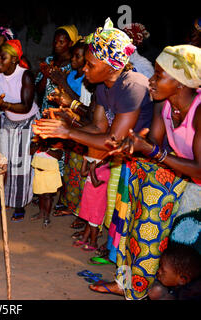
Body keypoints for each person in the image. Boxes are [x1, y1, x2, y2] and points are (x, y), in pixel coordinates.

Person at [32, 17, 155, 297]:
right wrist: (66, 126)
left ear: (111, 65)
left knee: (142, 230)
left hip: (150, 167)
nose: (85, 70)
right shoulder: (103, 86)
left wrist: (68, 133)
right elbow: (98, 127)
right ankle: (126, 283)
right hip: (127, 165)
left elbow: (114, 139)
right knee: (125, 227)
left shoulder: (133, 85)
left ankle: (142, 288)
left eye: (90, 64)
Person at [88, 44, 201, 299]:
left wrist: (151, 151)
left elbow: (197, 167)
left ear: (181, 83)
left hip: (196, 187)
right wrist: (126, 149)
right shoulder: (165, 105)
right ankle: (128, 283)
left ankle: (150, 288)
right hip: (184, 179)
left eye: (159, 76)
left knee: (178, 254)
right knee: (134, 215)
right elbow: (155, 146)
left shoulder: (199, 111)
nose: (151, 81)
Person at [0, 39, 39, 221]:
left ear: (15, 60)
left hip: (27, 121)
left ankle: (19, 204)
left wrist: (3, 104)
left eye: (3, 58)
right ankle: (5, 200)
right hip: (8, 121)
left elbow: (25, 107)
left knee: (20, 166)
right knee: (5, 163)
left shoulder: (26, 76)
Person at [35, 24, 81, 112]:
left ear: (70, 43)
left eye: (61, 42)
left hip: (66, 113)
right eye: (55, 42)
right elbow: (38, 91)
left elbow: (77, 97)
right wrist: (45, 76)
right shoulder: (49, 61)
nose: (56, 45)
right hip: (46, 110)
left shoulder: (74, 65)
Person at [30, 138, 63, 227]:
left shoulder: (57, 146)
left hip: (50, 175)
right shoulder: (37, 144)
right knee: (40, 195)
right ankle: (41, 213)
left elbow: (59, 156)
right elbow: (30, 151)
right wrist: (38, 145)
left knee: (47, 196)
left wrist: (47, 149)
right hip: (38, 173)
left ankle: (47, 217)